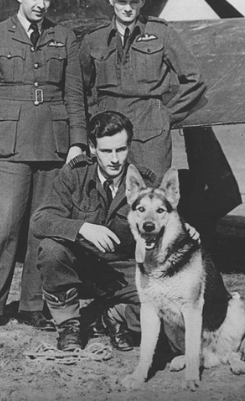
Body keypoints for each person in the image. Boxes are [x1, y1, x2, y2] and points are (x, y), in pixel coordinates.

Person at [0, 0, 87, 334]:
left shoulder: (63, 37)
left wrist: (78, 142)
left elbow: (75, 95)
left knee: (42, 228)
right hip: (9, 144)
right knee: (1, 227)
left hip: (53, 144)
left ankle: (34, 304)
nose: (41, 4)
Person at [31, 111, 156, 351]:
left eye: (121, 150)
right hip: (80, 268)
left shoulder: (144, 183)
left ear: (129, 146)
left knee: (164, 306)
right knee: (52, 250)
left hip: (121, 270)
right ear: (92, 148)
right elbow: (40, 220)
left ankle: (115, 315)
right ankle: (68, 326)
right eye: (107, 151)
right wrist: (83, 228)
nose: (115, 159)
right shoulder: (75, 174)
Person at [79, 0, 207, 179]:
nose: (127, 8)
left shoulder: (161, 33)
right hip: (107, 131)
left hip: (150, 133)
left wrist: (166, 115)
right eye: (121, 1)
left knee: (150, 196)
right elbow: (81, 88)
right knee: (108, 197)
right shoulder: (94, 39)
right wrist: (95, 116)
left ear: (143, 2)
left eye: (134, 1)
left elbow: (194, 79)